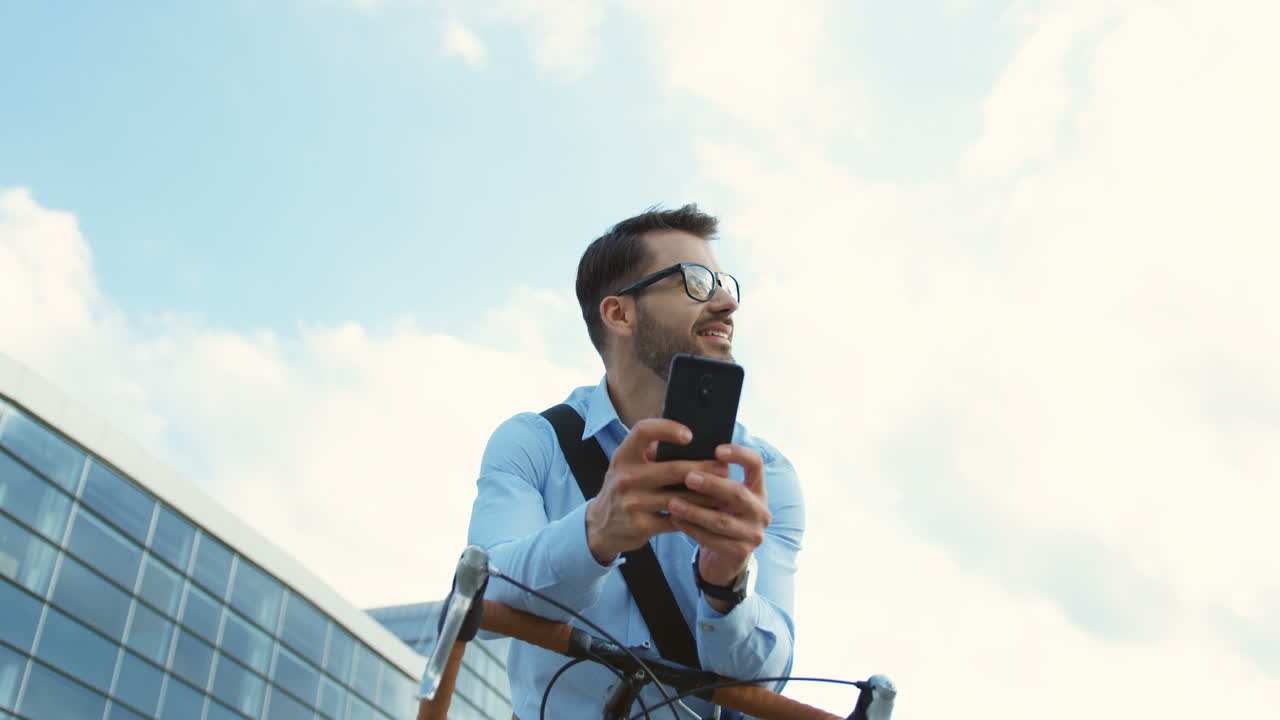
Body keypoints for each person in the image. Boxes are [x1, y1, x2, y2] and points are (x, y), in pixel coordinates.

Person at [466, 204, 804, 719]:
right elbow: (484, 588)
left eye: (723, 282)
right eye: (695, 281)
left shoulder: (765, 477)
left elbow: (770, 679)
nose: (726, 301)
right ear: (619, 314)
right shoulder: (531, 443)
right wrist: (594, 534)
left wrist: (727, 588)